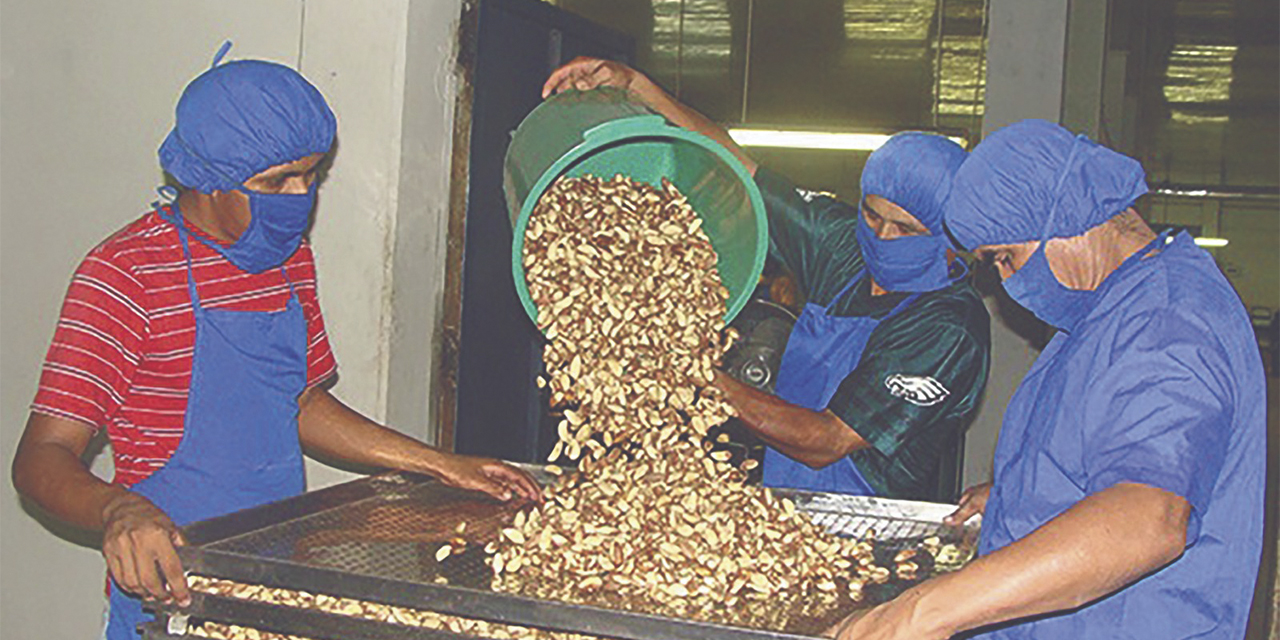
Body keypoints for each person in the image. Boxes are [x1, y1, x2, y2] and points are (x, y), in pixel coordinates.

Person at [10, 49, 540, 640]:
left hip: (276, 577)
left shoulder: (287, 259)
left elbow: (300, 403)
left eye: (310, 174)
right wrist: (118, 510)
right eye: (274, 181)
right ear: (208, 179)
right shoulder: (125, 275)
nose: (299, 196)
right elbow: (40, 457)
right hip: (173, 590)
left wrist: (438, 465)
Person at [828, 119, 1266, 639]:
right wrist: (1027, 492)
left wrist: (921, 610)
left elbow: (1148, 516)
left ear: (1065, 216)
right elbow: (1112, 446)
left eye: (1007, 259)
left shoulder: (1167, 321)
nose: (1009, 283)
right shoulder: (1107, 309)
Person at [543, 58, 990, 502]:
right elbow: (741, 170)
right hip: (782, 498)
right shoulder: (843, 248)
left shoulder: (948, 327)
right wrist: (639, 86)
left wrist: (691, 372)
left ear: (952, 235)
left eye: (905, 229)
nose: (881, 236)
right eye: (872, 215)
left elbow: (825, 442)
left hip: (869, 524)